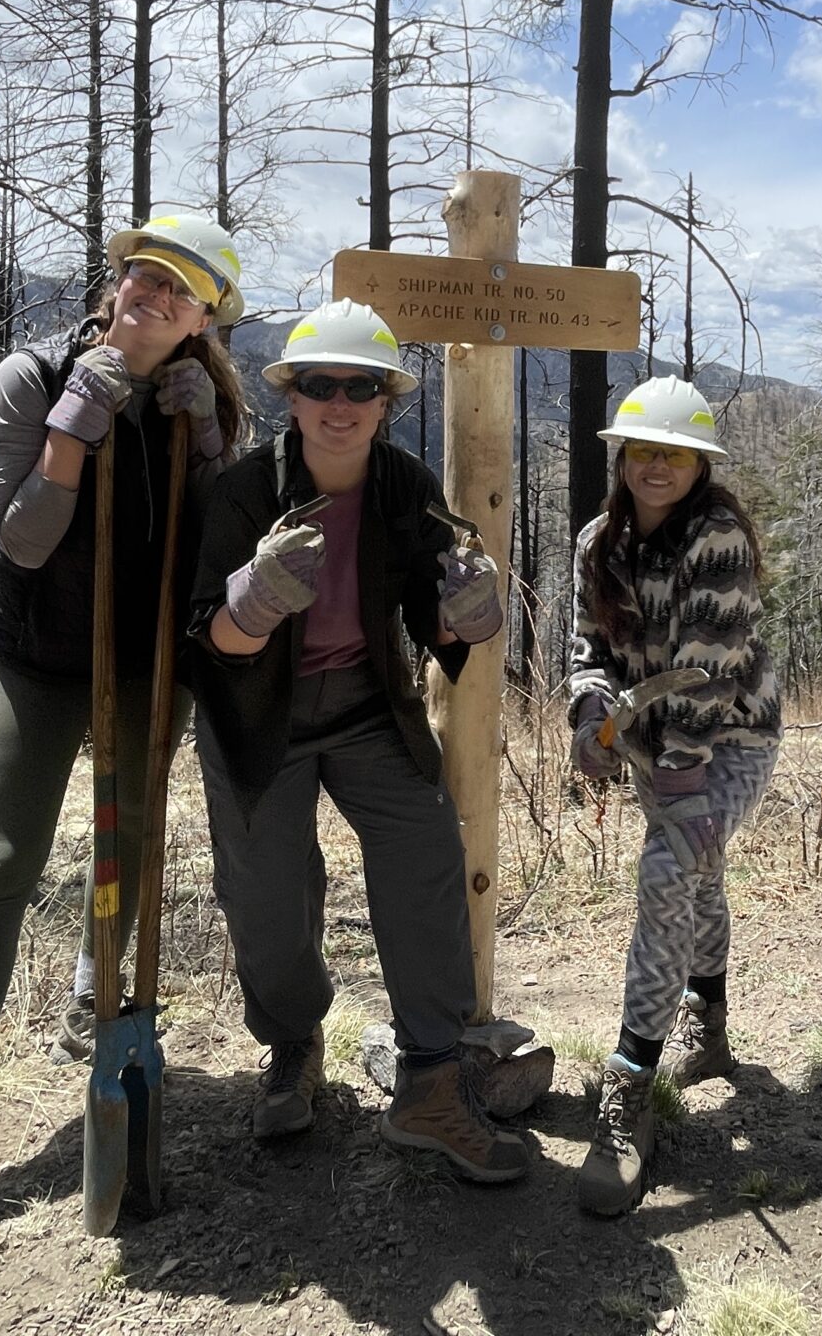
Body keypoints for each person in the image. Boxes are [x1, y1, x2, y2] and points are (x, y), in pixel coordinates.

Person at [0, 211, 248, 1309]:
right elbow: (22, 542)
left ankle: (108, 1013)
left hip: (144, 665)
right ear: (115, 279)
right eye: (144, 275)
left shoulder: (206, 399)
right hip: (34, 657)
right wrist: (76, 431)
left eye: (181, 293)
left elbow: (221, 544)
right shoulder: (32, 376)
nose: (154, 296)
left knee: (128, 847)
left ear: (202, 322)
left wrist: (217, 448)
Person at [188, 298, 549, 1183]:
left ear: (386, 399)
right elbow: (208, 639)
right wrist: (254, 601)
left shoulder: (403, 487)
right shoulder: (241, 494)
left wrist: (471, 617)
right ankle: (293, 1043)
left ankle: (429, 1080)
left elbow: (441, 627)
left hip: (364, 708)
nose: (340, 402)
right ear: (293, 396)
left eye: (361, 386)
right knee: (266, 899)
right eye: (320, 384)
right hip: (255, 713)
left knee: (425, 852)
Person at [565, 376, 781, 1216]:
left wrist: (685, 773)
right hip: (656, 745)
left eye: (674, 453)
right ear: (623, 457)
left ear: (699, 465)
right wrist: (589, 713)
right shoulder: (597, 543)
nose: (655, 466)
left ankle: (628, 1091)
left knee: (667, 877)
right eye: (642, 451)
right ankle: (711, 1019)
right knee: (701, 878)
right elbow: (588, 647)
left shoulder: (718, 536)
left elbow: (712, 666)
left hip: (728, 742)